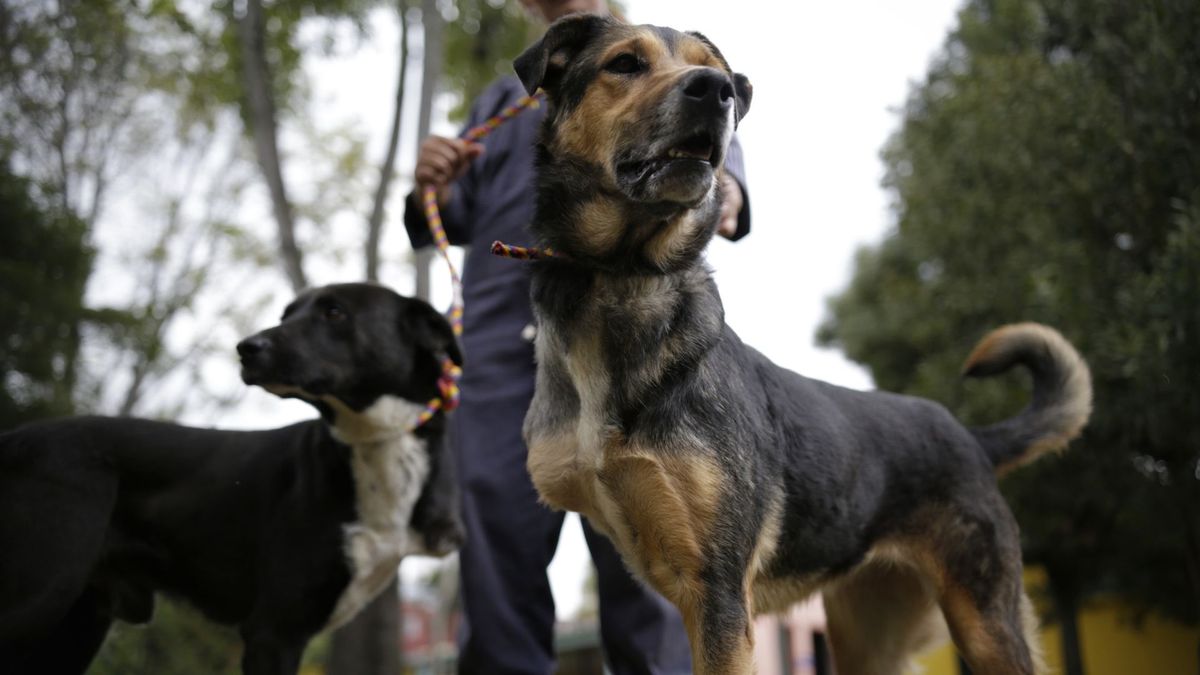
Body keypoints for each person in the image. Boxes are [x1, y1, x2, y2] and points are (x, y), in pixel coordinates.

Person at [403, 2, 751, 672]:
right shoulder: (501, 101)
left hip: (638, 354)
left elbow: (718, 165)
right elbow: (443, 217)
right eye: (620, 66)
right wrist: (432, 183)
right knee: (496, 565)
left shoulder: (677, 66)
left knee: (654, 577)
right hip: (508, 359)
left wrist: (727, 182)